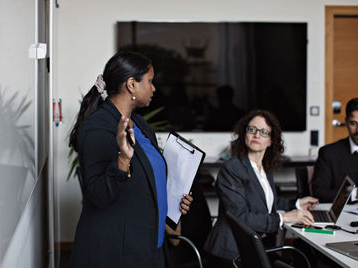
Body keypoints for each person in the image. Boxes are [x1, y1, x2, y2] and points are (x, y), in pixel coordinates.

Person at [68, 51, 193, 268]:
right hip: (117, 252)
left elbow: (149, 180)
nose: (154, 88)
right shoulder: (97, 128)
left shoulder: (142, 126)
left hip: (150, 245)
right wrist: (123, 159)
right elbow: (98, 196)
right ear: (132, 84)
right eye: (150, 81)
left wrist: (173, 199)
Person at [203, 110, 318, 267]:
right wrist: (284, 218)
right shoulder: (232, 168)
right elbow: (241, 218)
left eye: (264, 132)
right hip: (231, 253)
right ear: (245, 134)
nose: (257, 135)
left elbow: (268, 202)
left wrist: (297, 204)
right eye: (252, 129)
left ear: (271, 141)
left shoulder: (264, 167)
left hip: (254, 247)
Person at [311, 97, 358, 203]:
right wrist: (355, 193)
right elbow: (319, 192)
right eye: (353, 124)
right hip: (341, 217)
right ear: (346, 122)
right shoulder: (328, 153)